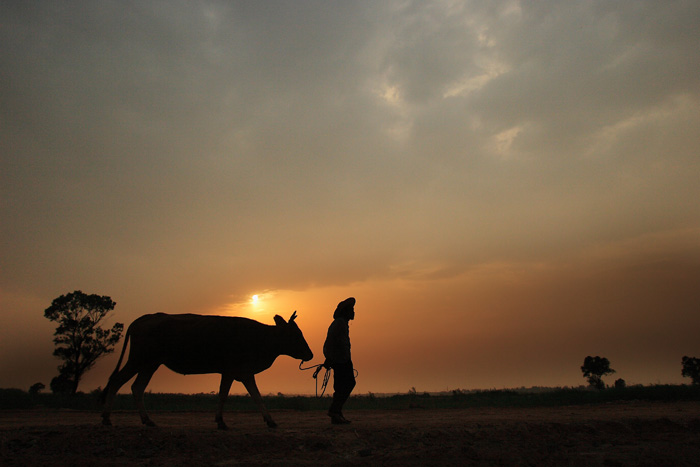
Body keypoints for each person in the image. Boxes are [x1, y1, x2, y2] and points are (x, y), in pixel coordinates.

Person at [323, 297, 357, 424]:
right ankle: (335, 410)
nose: (354, 312)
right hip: (341, 360)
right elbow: (332, 343)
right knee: (348, 384)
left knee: (340, 386)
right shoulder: (340, 324)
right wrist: (330, 358)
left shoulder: (340, 323)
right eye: (352, 310)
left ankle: (336, 414)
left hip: (341, 359)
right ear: (346, 311)